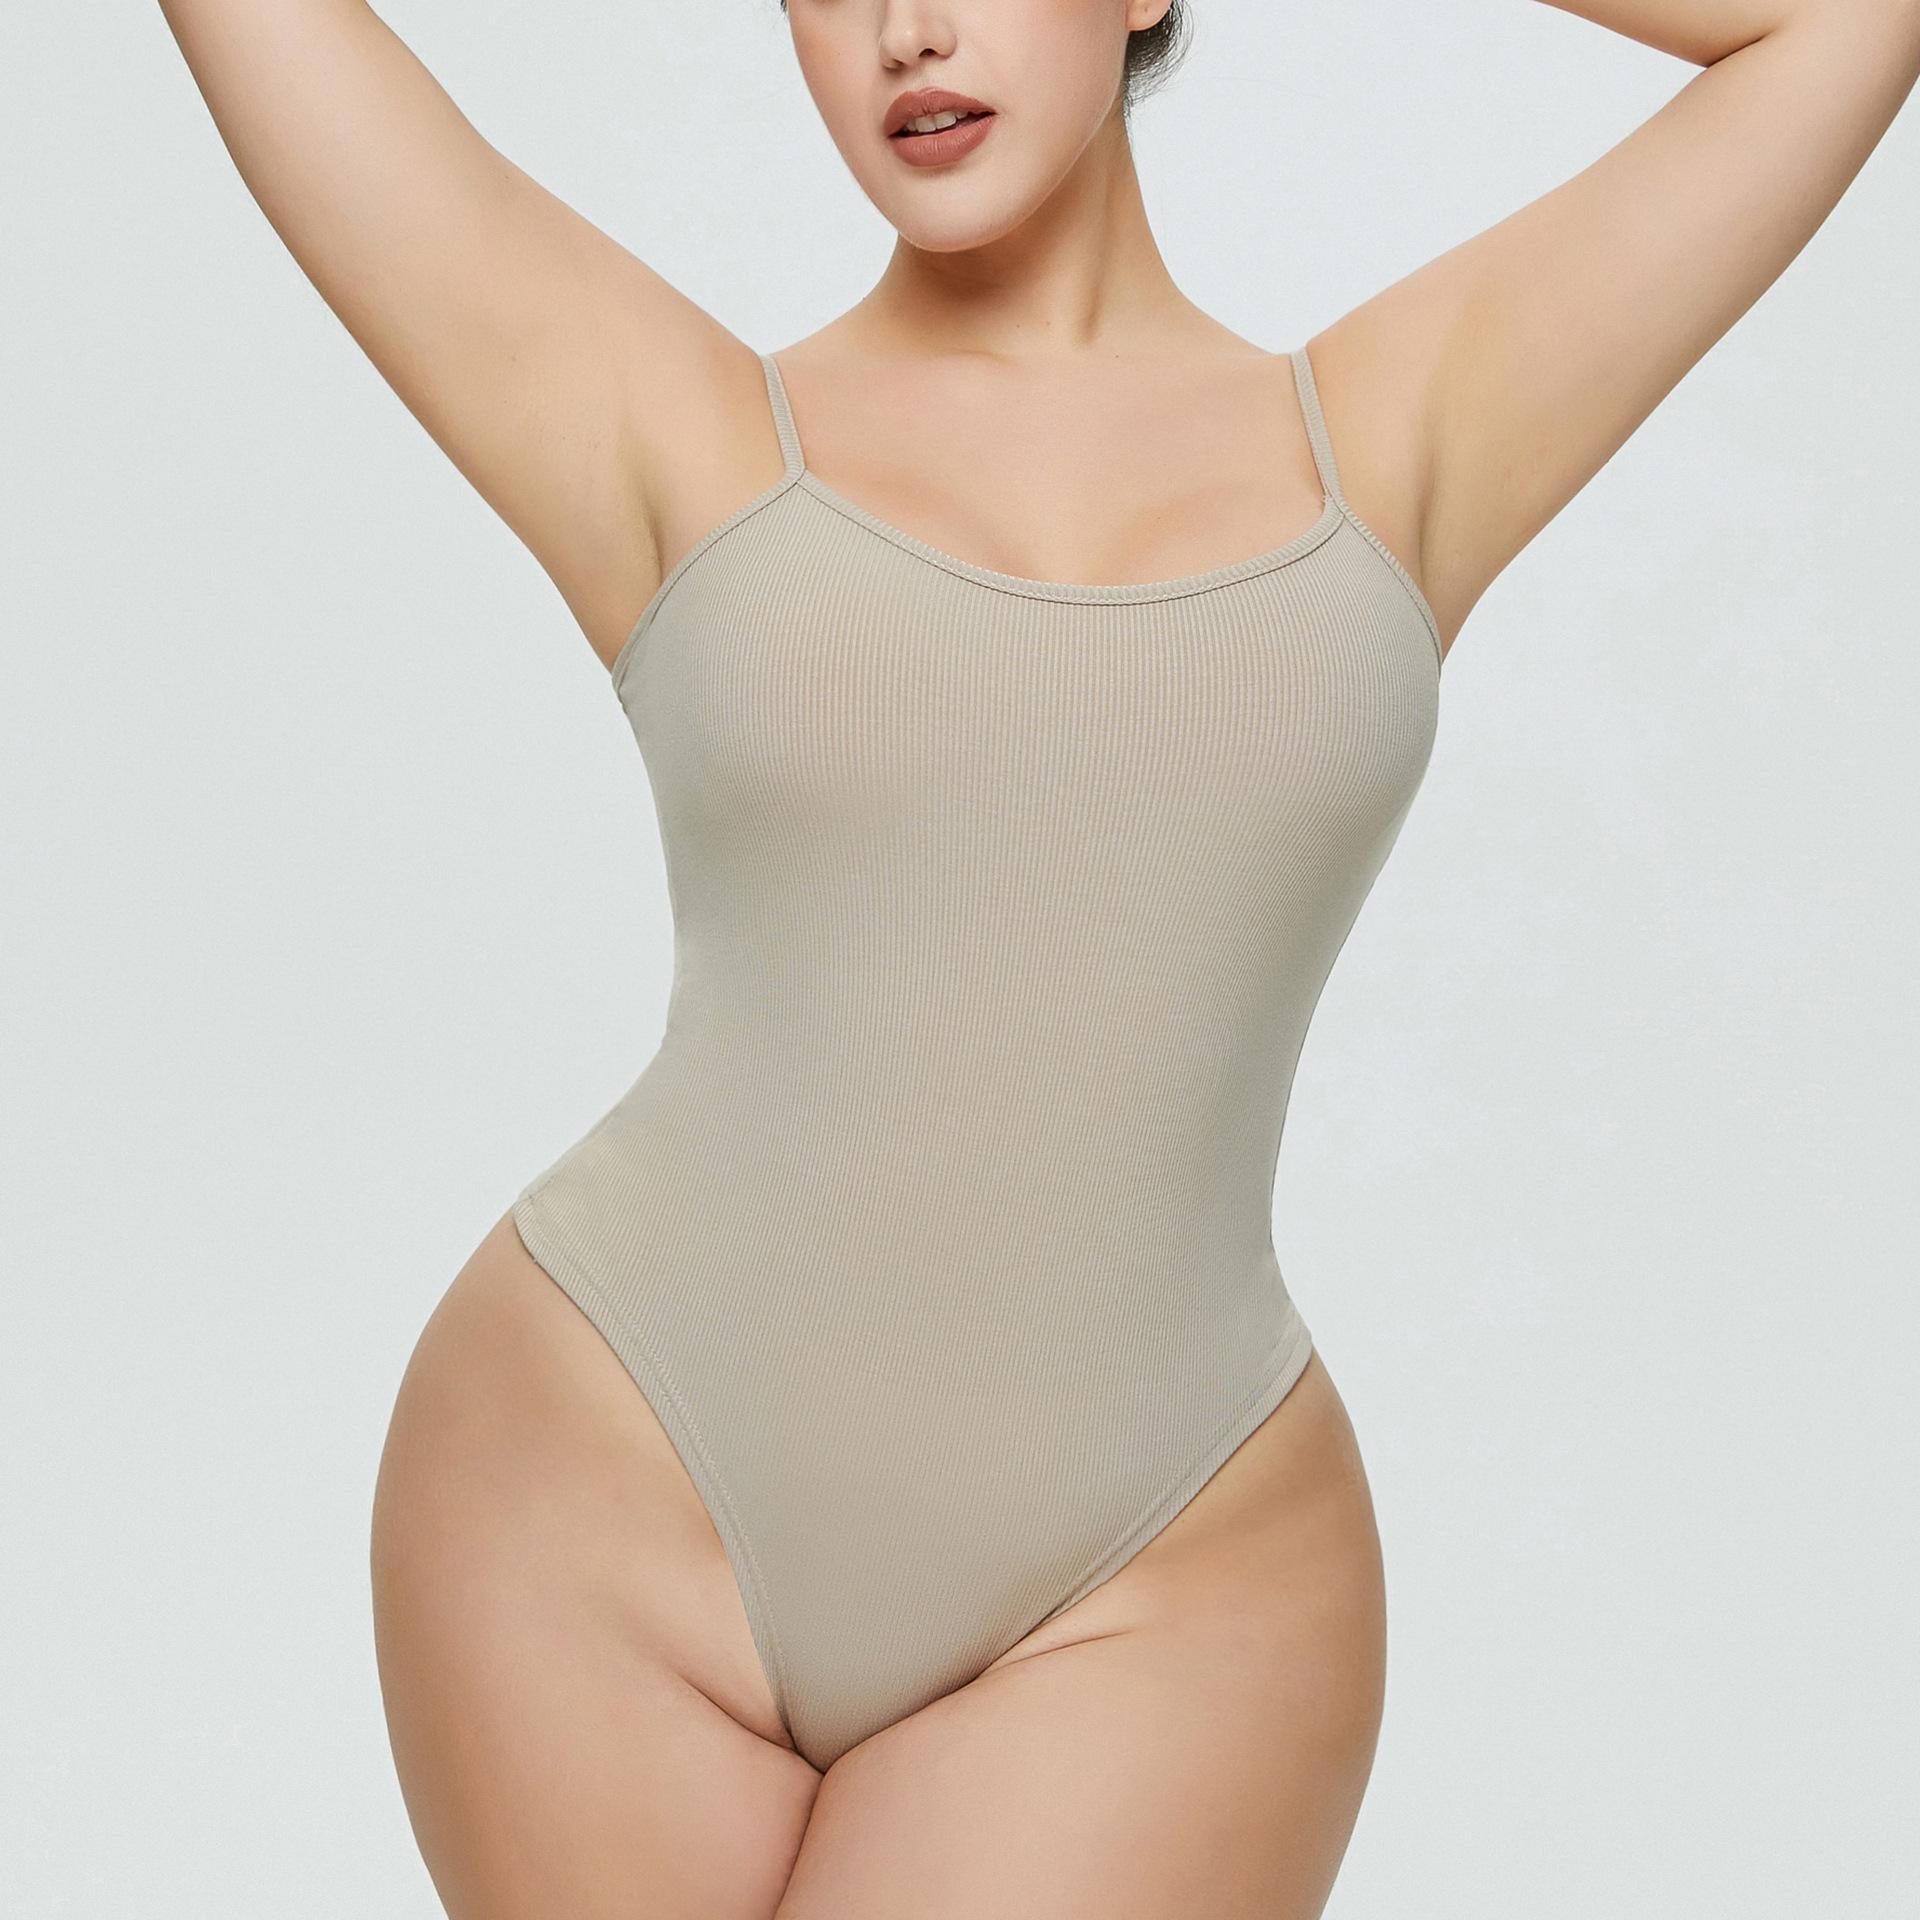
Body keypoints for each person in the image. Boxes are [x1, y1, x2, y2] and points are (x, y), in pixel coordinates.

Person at [157, 1, 1919, 1913]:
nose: (907, 33)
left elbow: (1842, 24)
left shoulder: (1399, 438)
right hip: (603, 1502)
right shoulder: (679, 429)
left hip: (1160, 1576)